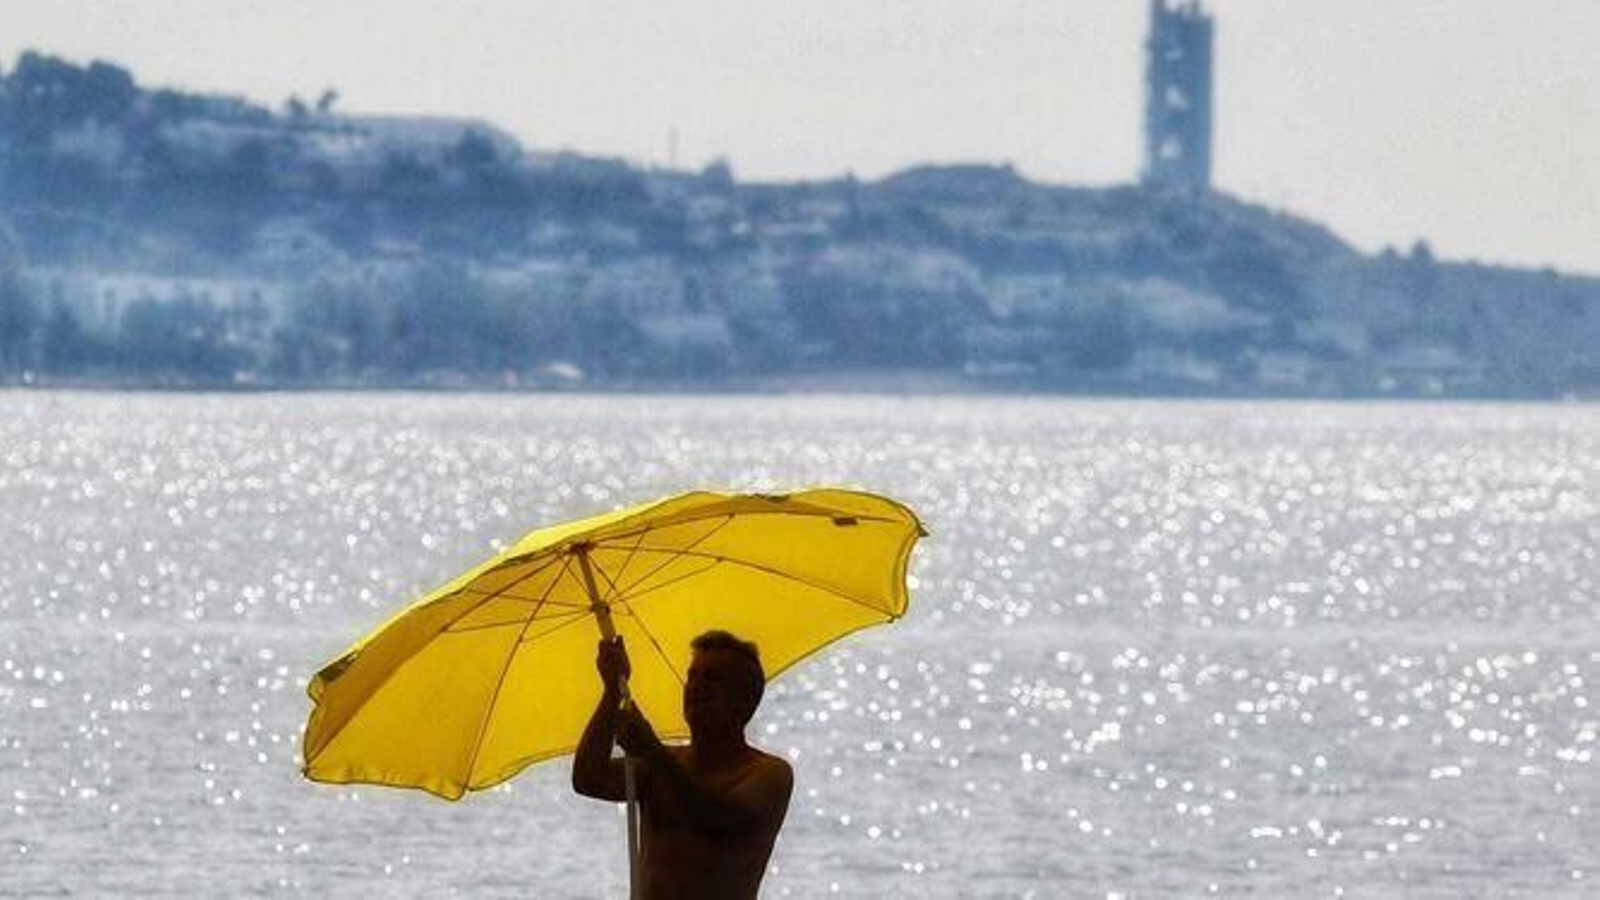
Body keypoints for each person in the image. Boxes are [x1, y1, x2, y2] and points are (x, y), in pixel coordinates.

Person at [573, 630, 794, 900]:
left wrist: (651, 750)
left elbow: (719, 819)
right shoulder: (659, 765)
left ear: (746, 700)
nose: (696, 686)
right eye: (692, 677)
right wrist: (610, 692)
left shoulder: (768, 773)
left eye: (712, 678)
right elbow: (587, 778)